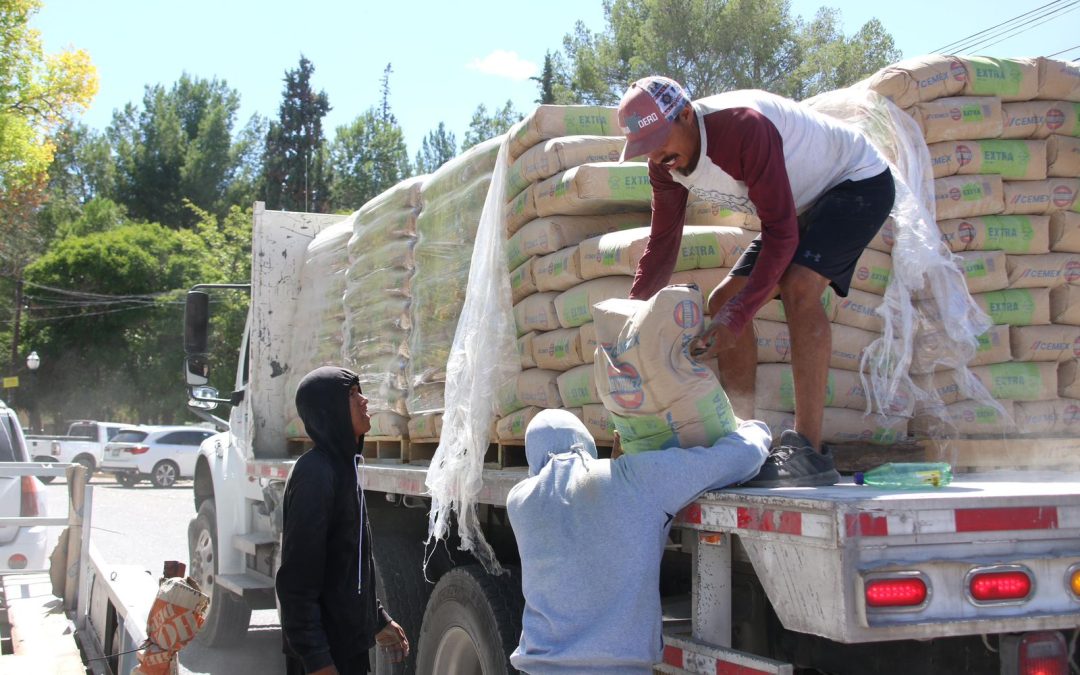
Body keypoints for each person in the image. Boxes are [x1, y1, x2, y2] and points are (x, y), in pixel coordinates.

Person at [618, 76, 895, 488]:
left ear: (687, 115)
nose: (657, 155)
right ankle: (744, 437)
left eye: (660, 139)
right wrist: (627, 321)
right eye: (646, 147)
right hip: (798, 200)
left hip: (856, 182)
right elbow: (662, 246)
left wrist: (737, 319)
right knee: (723, 299)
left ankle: (809, 450)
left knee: (799, 288)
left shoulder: (742, 127)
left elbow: (783, 235)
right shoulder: (664, 168)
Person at [506, 409, 770, 674]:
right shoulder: (635, 479)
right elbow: (740, 457)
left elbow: (579, 507)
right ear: (586, 442)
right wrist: (752, 426)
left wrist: (620, 468)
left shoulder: (518, 502)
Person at [276, 366, 409, 675]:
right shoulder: (315, 475)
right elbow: (297, 583)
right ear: (329, 410)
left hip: (347, 648)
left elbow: (348, 565)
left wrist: (377, 619)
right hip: (327, 657)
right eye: (352, 394)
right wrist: (318, 660)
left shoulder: (344, 469)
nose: (364, 400)